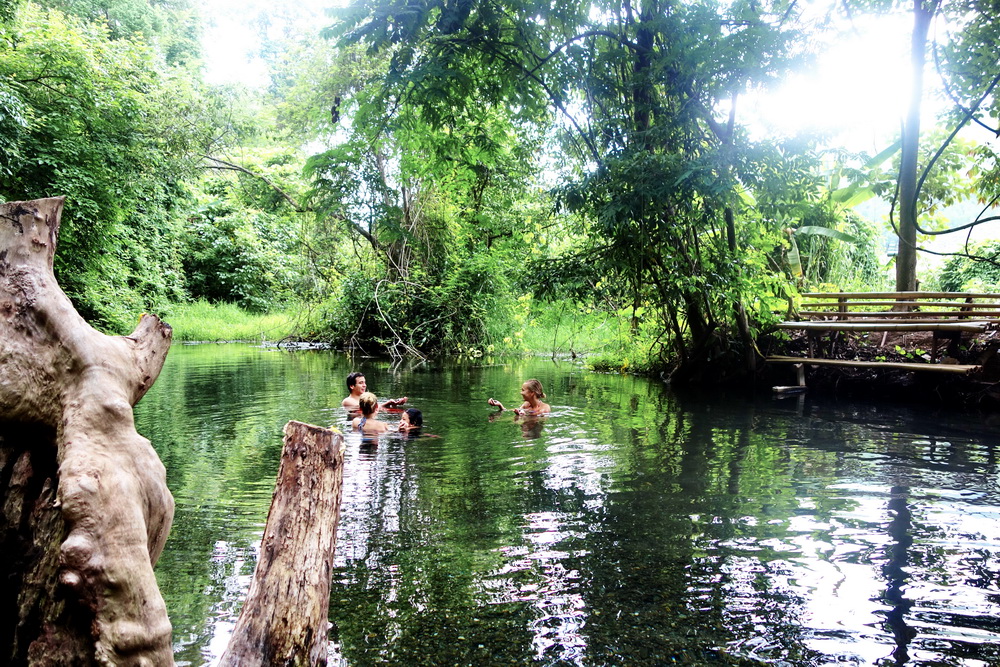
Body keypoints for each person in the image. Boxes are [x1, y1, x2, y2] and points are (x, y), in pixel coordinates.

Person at [342, 372, 407, 410]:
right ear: (352, 386)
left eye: (364, 382)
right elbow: (369, 409)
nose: (364, 385)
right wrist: (388, 403)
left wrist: (394, 404)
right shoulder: (347, 401)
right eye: (361, 383)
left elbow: (374, 408)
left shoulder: (366, 398)